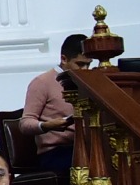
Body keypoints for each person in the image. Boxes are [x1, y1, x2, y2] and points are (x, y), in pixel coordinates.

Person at [19, 33, 89, 174]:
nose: (85, 70)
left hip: (85, 147)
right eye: (80, 64)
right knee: (91, 165)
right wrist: (46, 126)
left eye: (88, 64)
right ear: (64, 59)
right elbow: (25, 123)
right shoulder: (42, 82)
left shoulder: (88, 82)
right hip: (55, 152)